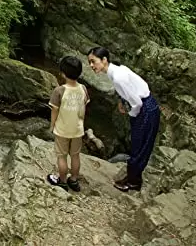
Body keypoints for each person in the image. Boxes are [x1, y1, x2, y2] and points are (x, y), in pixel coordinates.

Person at [87, 46, 160, 191]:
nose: (91, 65)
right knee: (138, 144)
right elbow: (126, 88)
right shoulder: (115, 70)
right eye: (89, 62)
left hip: (146, 108)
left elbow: (137, 103)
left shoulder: (118, 76)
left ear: (104, 60)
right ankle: (134, 178)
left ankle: (133, 181)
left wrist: (132, 115)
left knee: (140, 146)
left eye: (93, 61)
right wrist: (121, 101)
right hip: (146, 106)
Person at [47, 55, 90, 192]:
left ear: (63, 73)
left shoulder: (59, 91)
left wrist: (52, 125)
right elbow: (84, 106)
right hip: (77, 129)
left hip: (62, 129)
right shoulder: (83, 89)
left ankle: (63, 180)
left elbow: (54, 110)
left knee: (62, 156)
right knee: (75, 155)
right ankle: (74, 179)